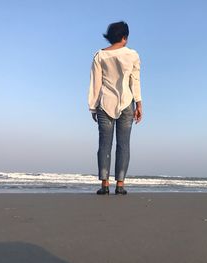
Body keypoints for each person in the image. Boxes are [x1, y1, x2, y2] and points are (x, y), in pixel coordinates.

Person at [88, 21, 142, 195]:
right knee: (123, 145)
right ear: (124, 37)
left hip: (105, 103)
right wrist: (139, 103)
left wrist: (93, 106)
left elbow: (95, 83)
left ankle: (104, 185)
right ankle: (120, 185)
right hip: (127, 102)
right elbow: (135, 81)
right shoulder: (132, 54)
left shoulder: (99, 55)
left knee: (104, 144)